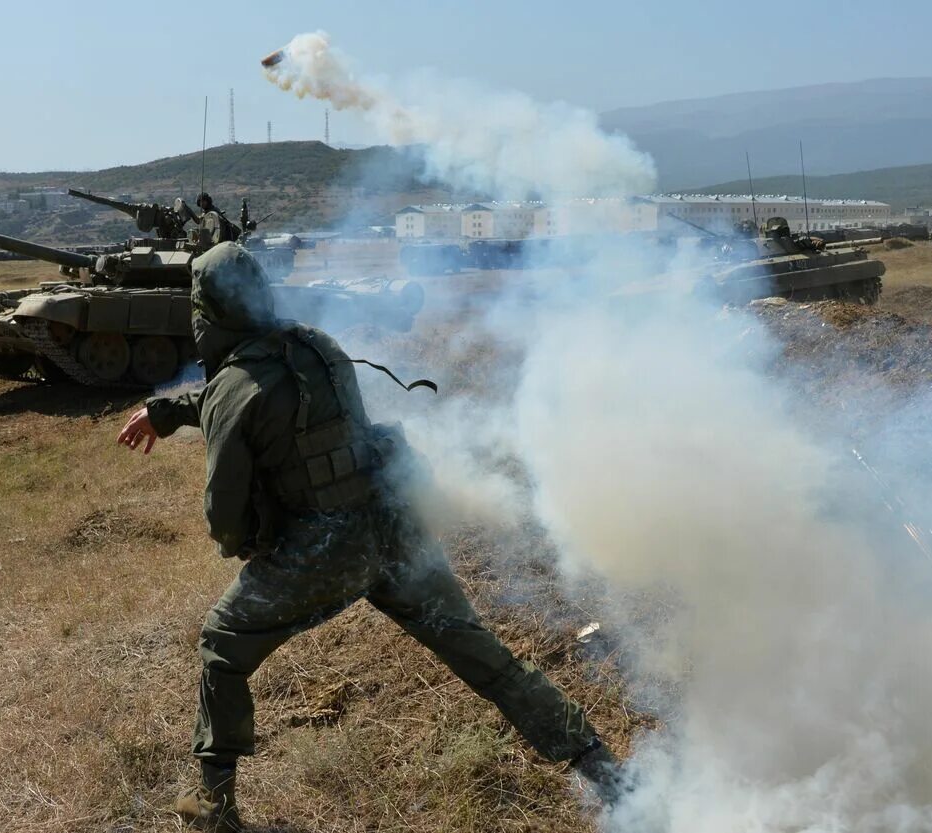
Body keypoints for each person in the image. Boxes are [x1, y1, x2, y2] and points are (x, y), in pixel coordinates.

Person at [117, 242, 626, 830]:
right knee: (484, 657)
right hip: (395, 526)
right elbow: (251, 391)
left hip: (322, 552)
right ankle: (604, 767)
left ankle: (213, 811)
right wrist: (169, 411)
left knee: (221, 642)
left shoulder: (236, 387)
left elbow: (223, 513)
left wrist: (254, 548)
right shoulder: (316, 345)